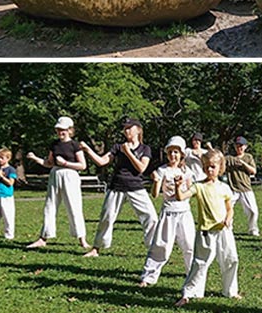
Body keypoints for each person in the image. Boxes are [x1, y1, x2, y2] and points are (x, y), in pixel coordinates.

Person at [81, 119, 158, 258]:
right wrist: (87, 149)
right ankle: (96, 248)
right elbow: (102, 161)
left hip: (136, 187)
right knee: (107, 217)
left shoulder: (145, 149)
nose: (126, 130)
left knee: (151, 217)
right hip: (117, 187)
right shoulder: (117, 147)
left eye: (129, 127)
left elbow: (141, 168)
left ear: (138, 130)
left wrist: (128, 152)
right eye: (125, 128)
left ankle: (153, 249)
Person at [175, 149, 240, 307]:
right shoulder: (199, 186)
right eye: (206, 166)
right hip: (206, 232)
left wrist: (228, 218)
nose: (209, 170)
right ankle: (190, 292)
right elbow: (181, 197)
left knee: (231, 259)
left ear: (220, 167)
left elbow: (229, 207)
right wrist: (178, 186)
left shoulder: (225, 188)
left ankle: (230, 290)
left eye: (212, 166)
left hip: (224, 230)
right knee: (200, 262)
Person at [25, 116, 89, 249]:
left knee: (74, 206)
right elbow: (49, 163)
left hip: (70, 176)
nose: (61, 132)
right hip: (55, 174)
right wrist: (35, 158)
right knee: (50, 205)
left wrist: (66, 163)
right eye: (59, 130)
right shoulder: (54, 144)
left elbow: (83, 165)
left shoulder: (75, 145)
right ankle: (44, 237)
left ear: (70, 130)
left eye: (63, 130)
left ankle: (82, 239)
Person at [139, 136, 196, 287]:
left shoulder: (187, 171)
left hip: (184, 212)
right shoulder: (162, 170)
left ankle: (193, 273)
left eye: (176, 152)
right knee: (161, 245)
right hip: (169, 212)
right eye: (170, 152)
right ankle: (148, 276)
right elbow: (155, 194)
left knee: (190, 244)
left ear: (182, 154)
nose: (173, 155)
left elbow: (191, 190)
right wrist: (156, 182)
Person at [224, 136, 260, 237]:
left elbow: (254, 171)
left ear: (245, 147)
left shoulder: (248, 157)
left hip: (246, 189)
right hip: (232, 189)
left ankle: (253, 229)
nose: (239, 147)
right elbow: (219, 163)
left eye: (241, 146)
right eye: (237, 145)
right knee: (226, 209)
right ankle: (228, 227)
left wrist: (243, 164)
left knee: (253, 211)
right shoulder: (229, 158)